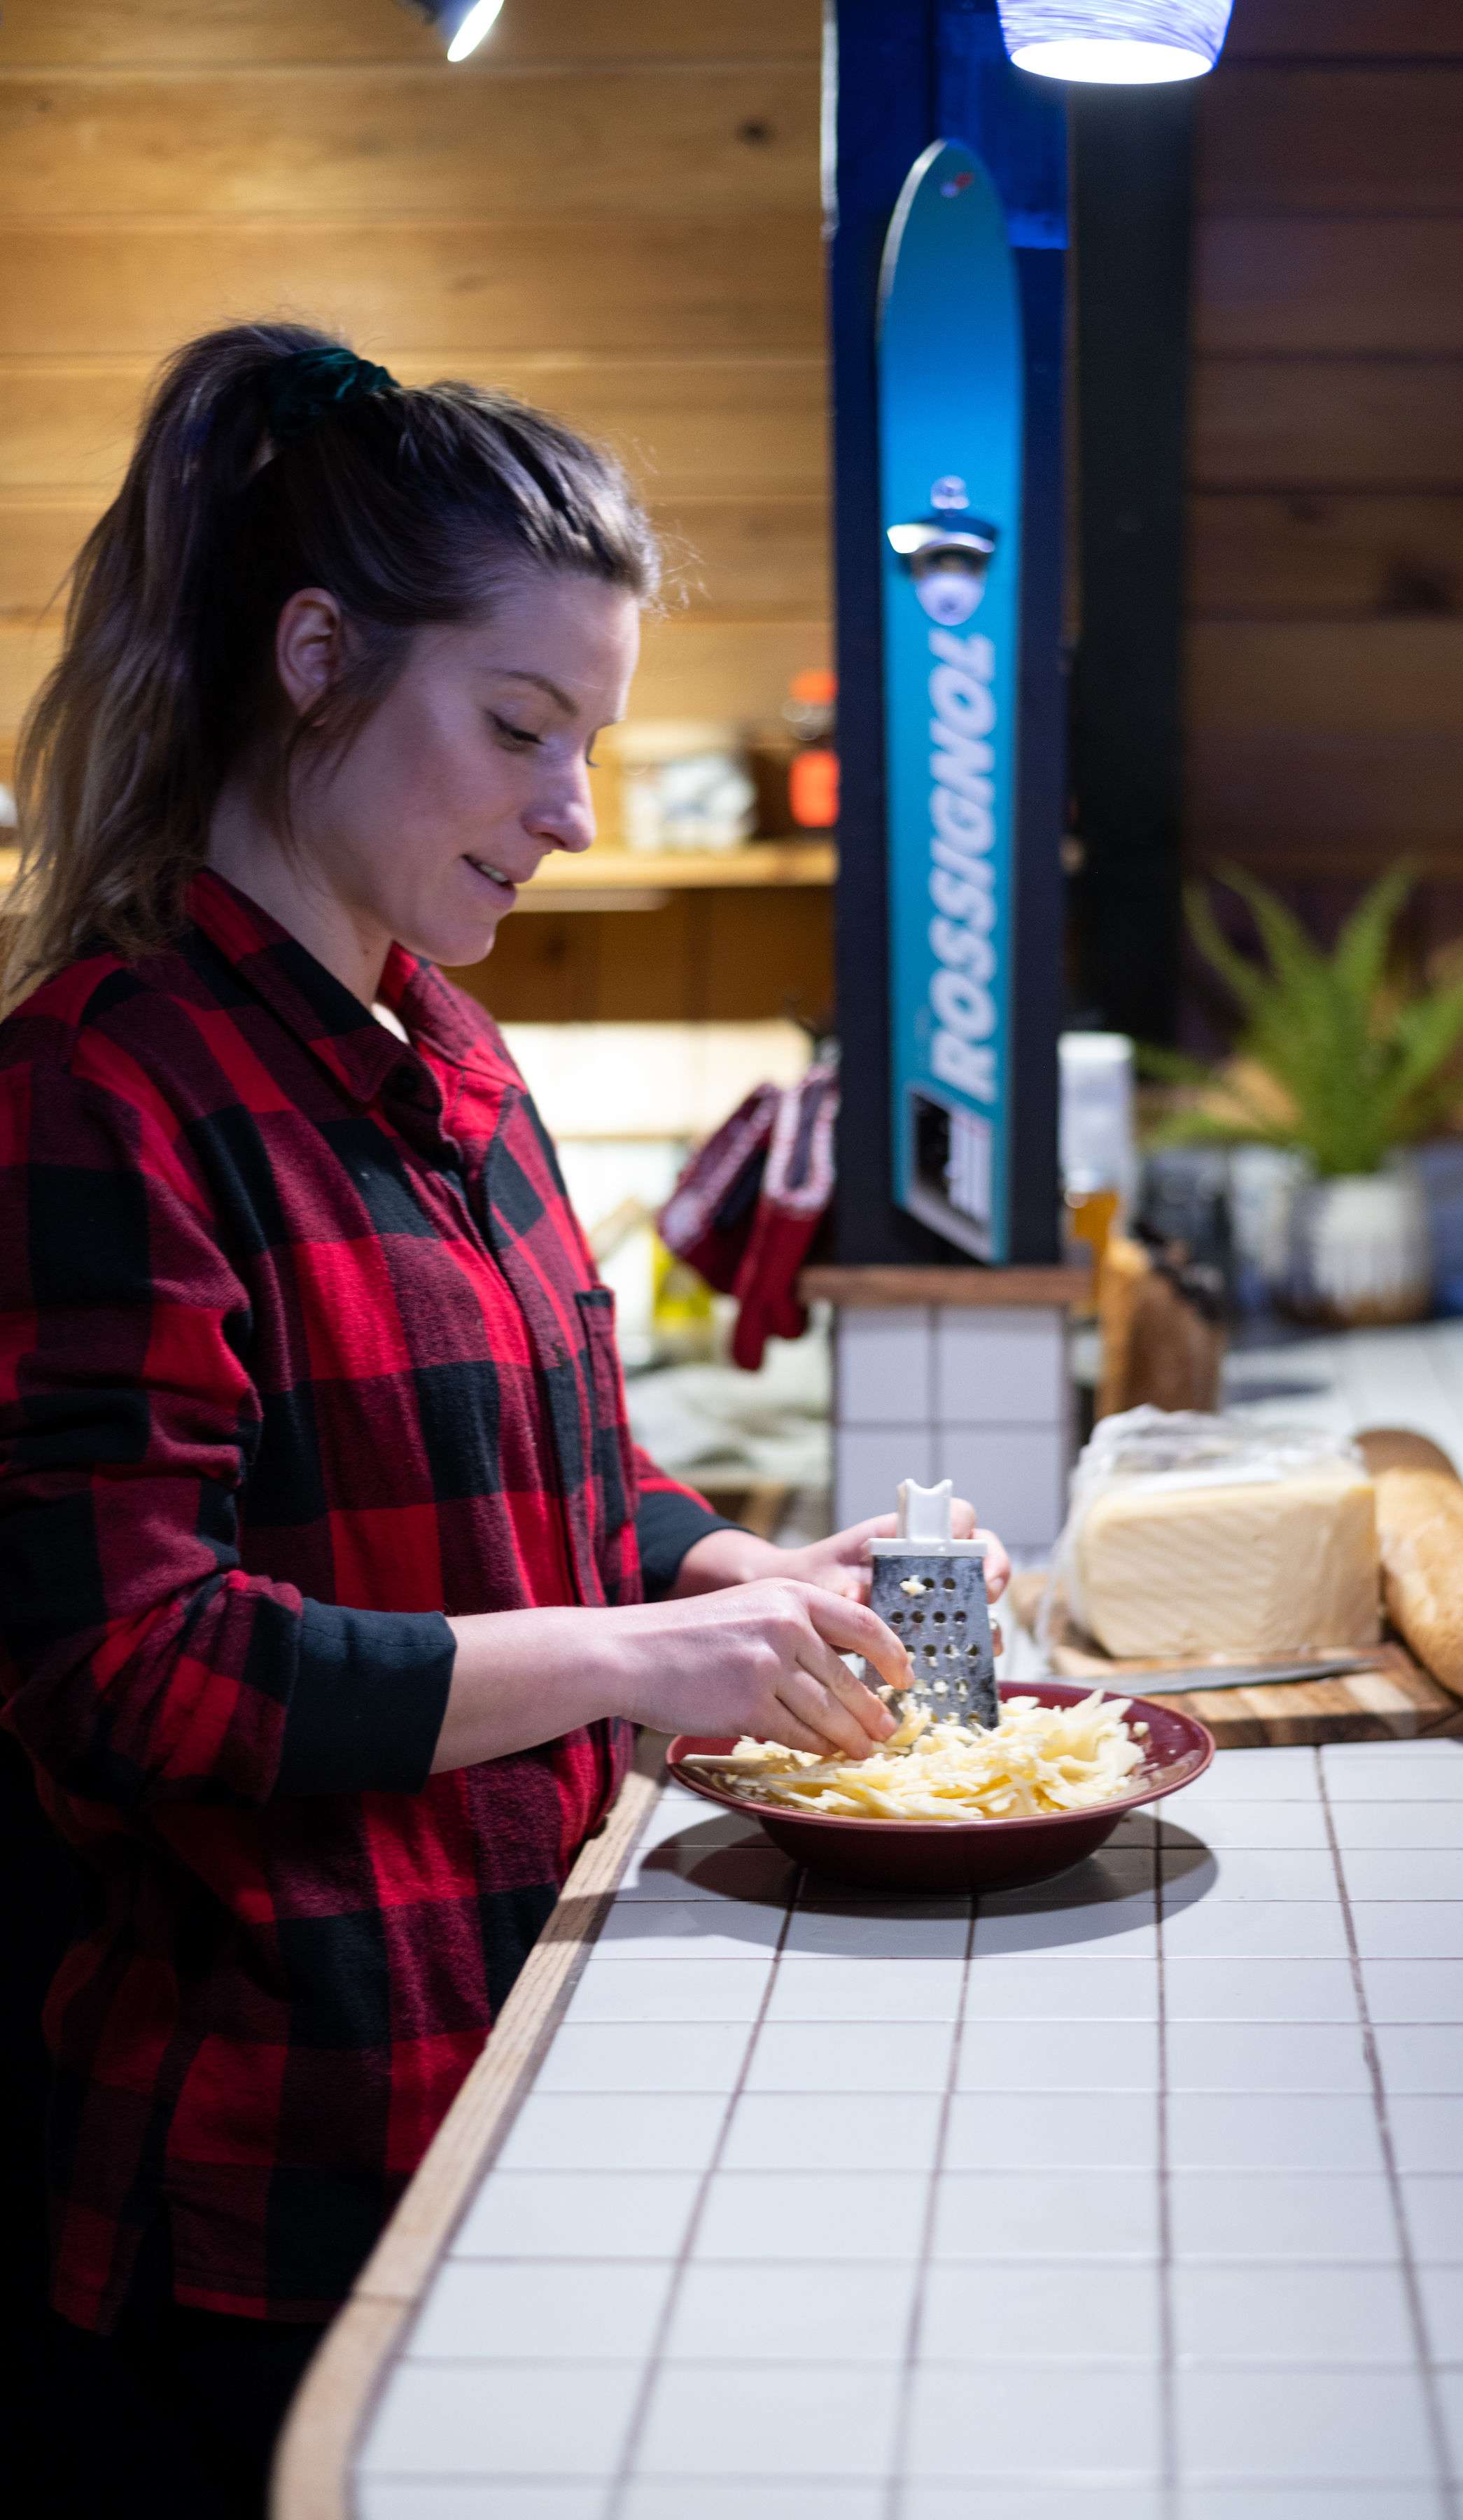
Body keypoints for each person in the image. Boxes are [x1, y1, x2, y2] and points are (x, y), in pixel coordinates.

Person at [0, 322, 1008, 2518]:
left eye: (592, 744)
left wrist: (744, 1576)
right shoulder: (104, 1090)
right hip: (277, 2175)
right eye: (522, 729)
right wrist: (648, 1657)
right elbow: (135, 1669)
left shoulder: (448, 1054)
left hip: (518, 2055)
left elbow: (557, 1491)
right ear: (315, 660)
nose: (570, 813)